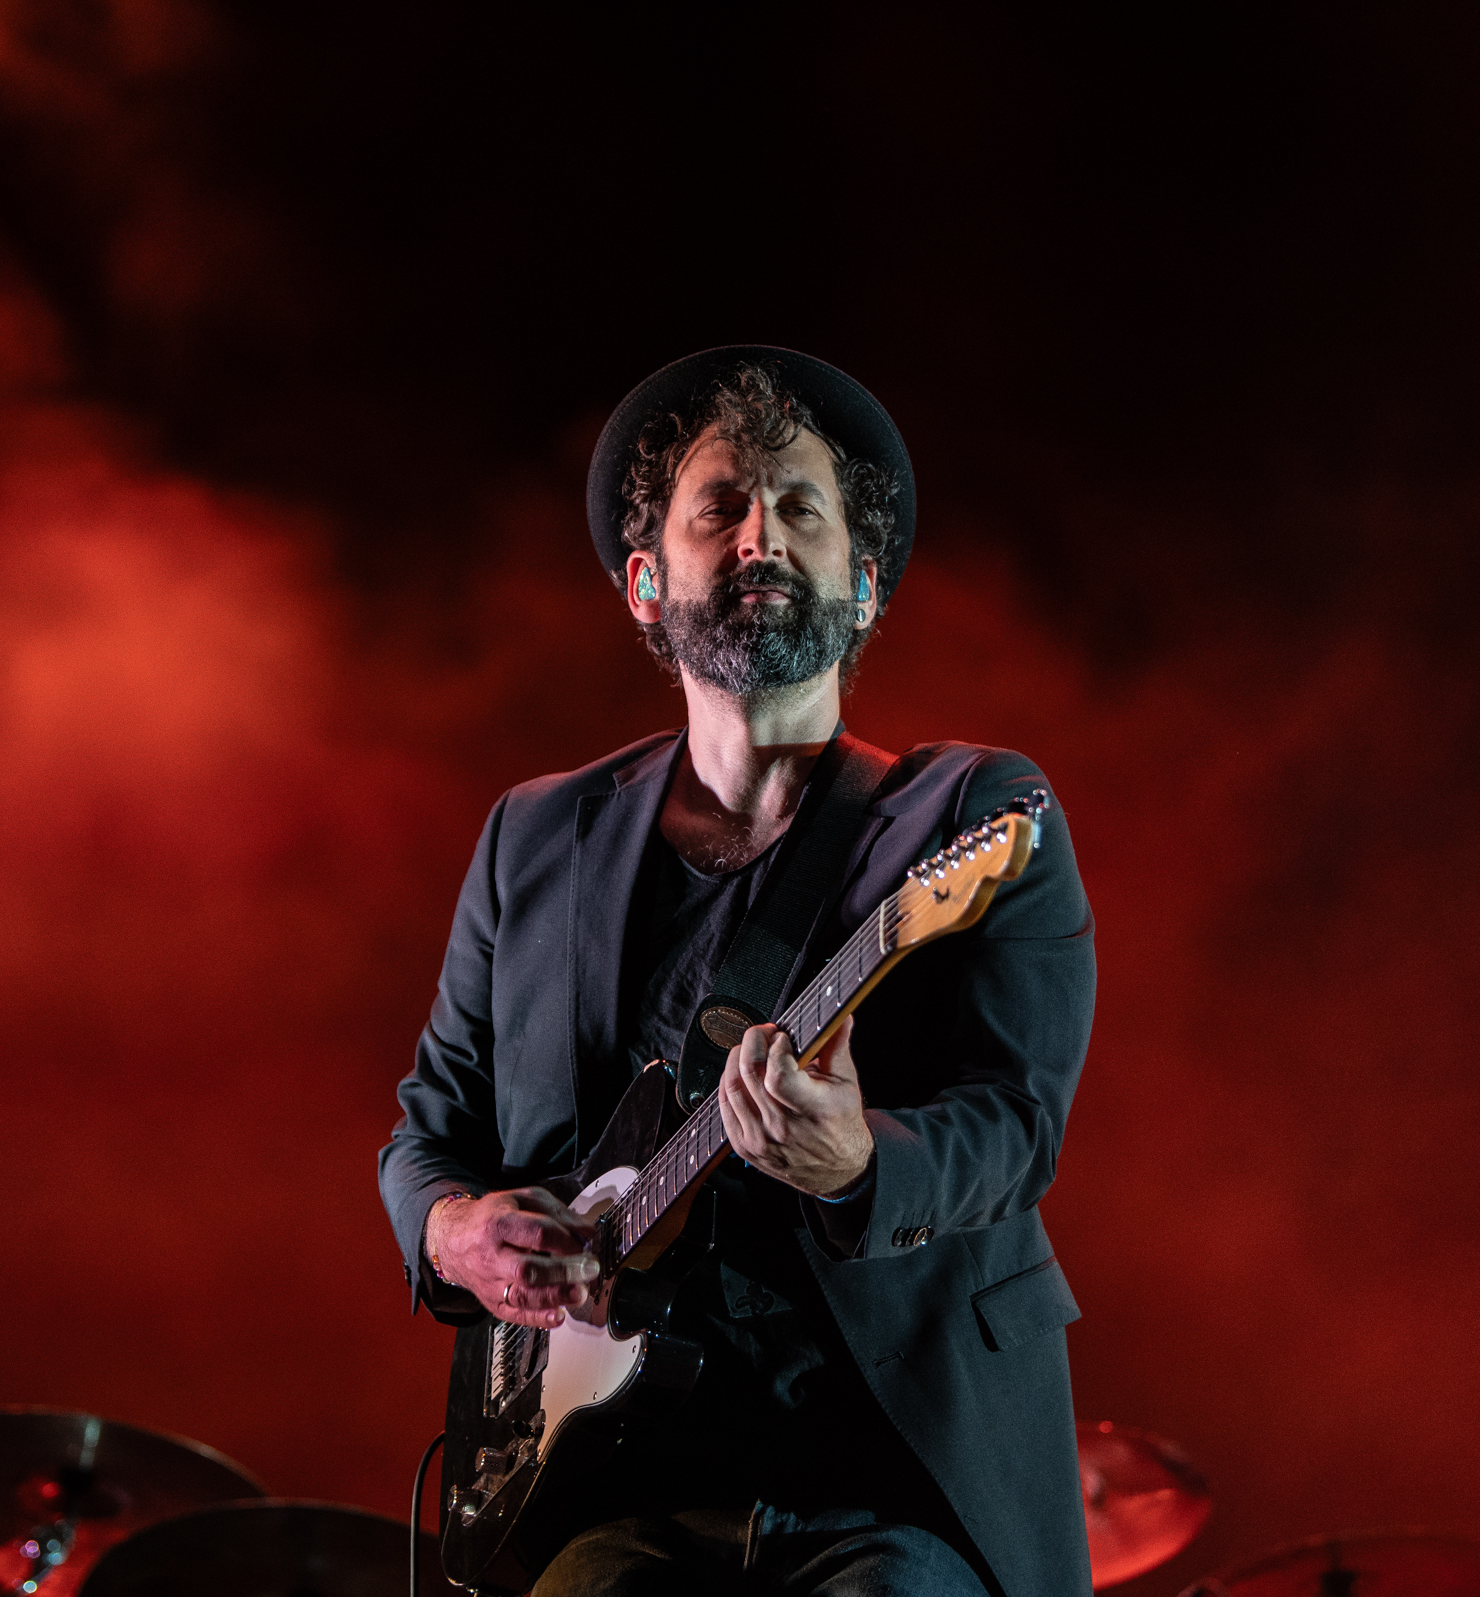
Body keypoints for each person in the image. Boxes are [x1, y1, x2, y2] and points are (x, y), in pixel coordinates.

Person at [378, 347, 1096, 1597]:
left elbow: (1017, 1121)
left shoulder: (970, 814)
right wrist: (452, 1232)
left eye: (802, 508)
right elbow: (428, 1131)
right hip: (609, 1489)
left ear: (863, 588)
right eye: (720, 506)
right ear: (646, 584)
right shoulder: (532, 837)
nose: (761, 533)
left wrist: (860, 1162)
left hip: (889, 1479)